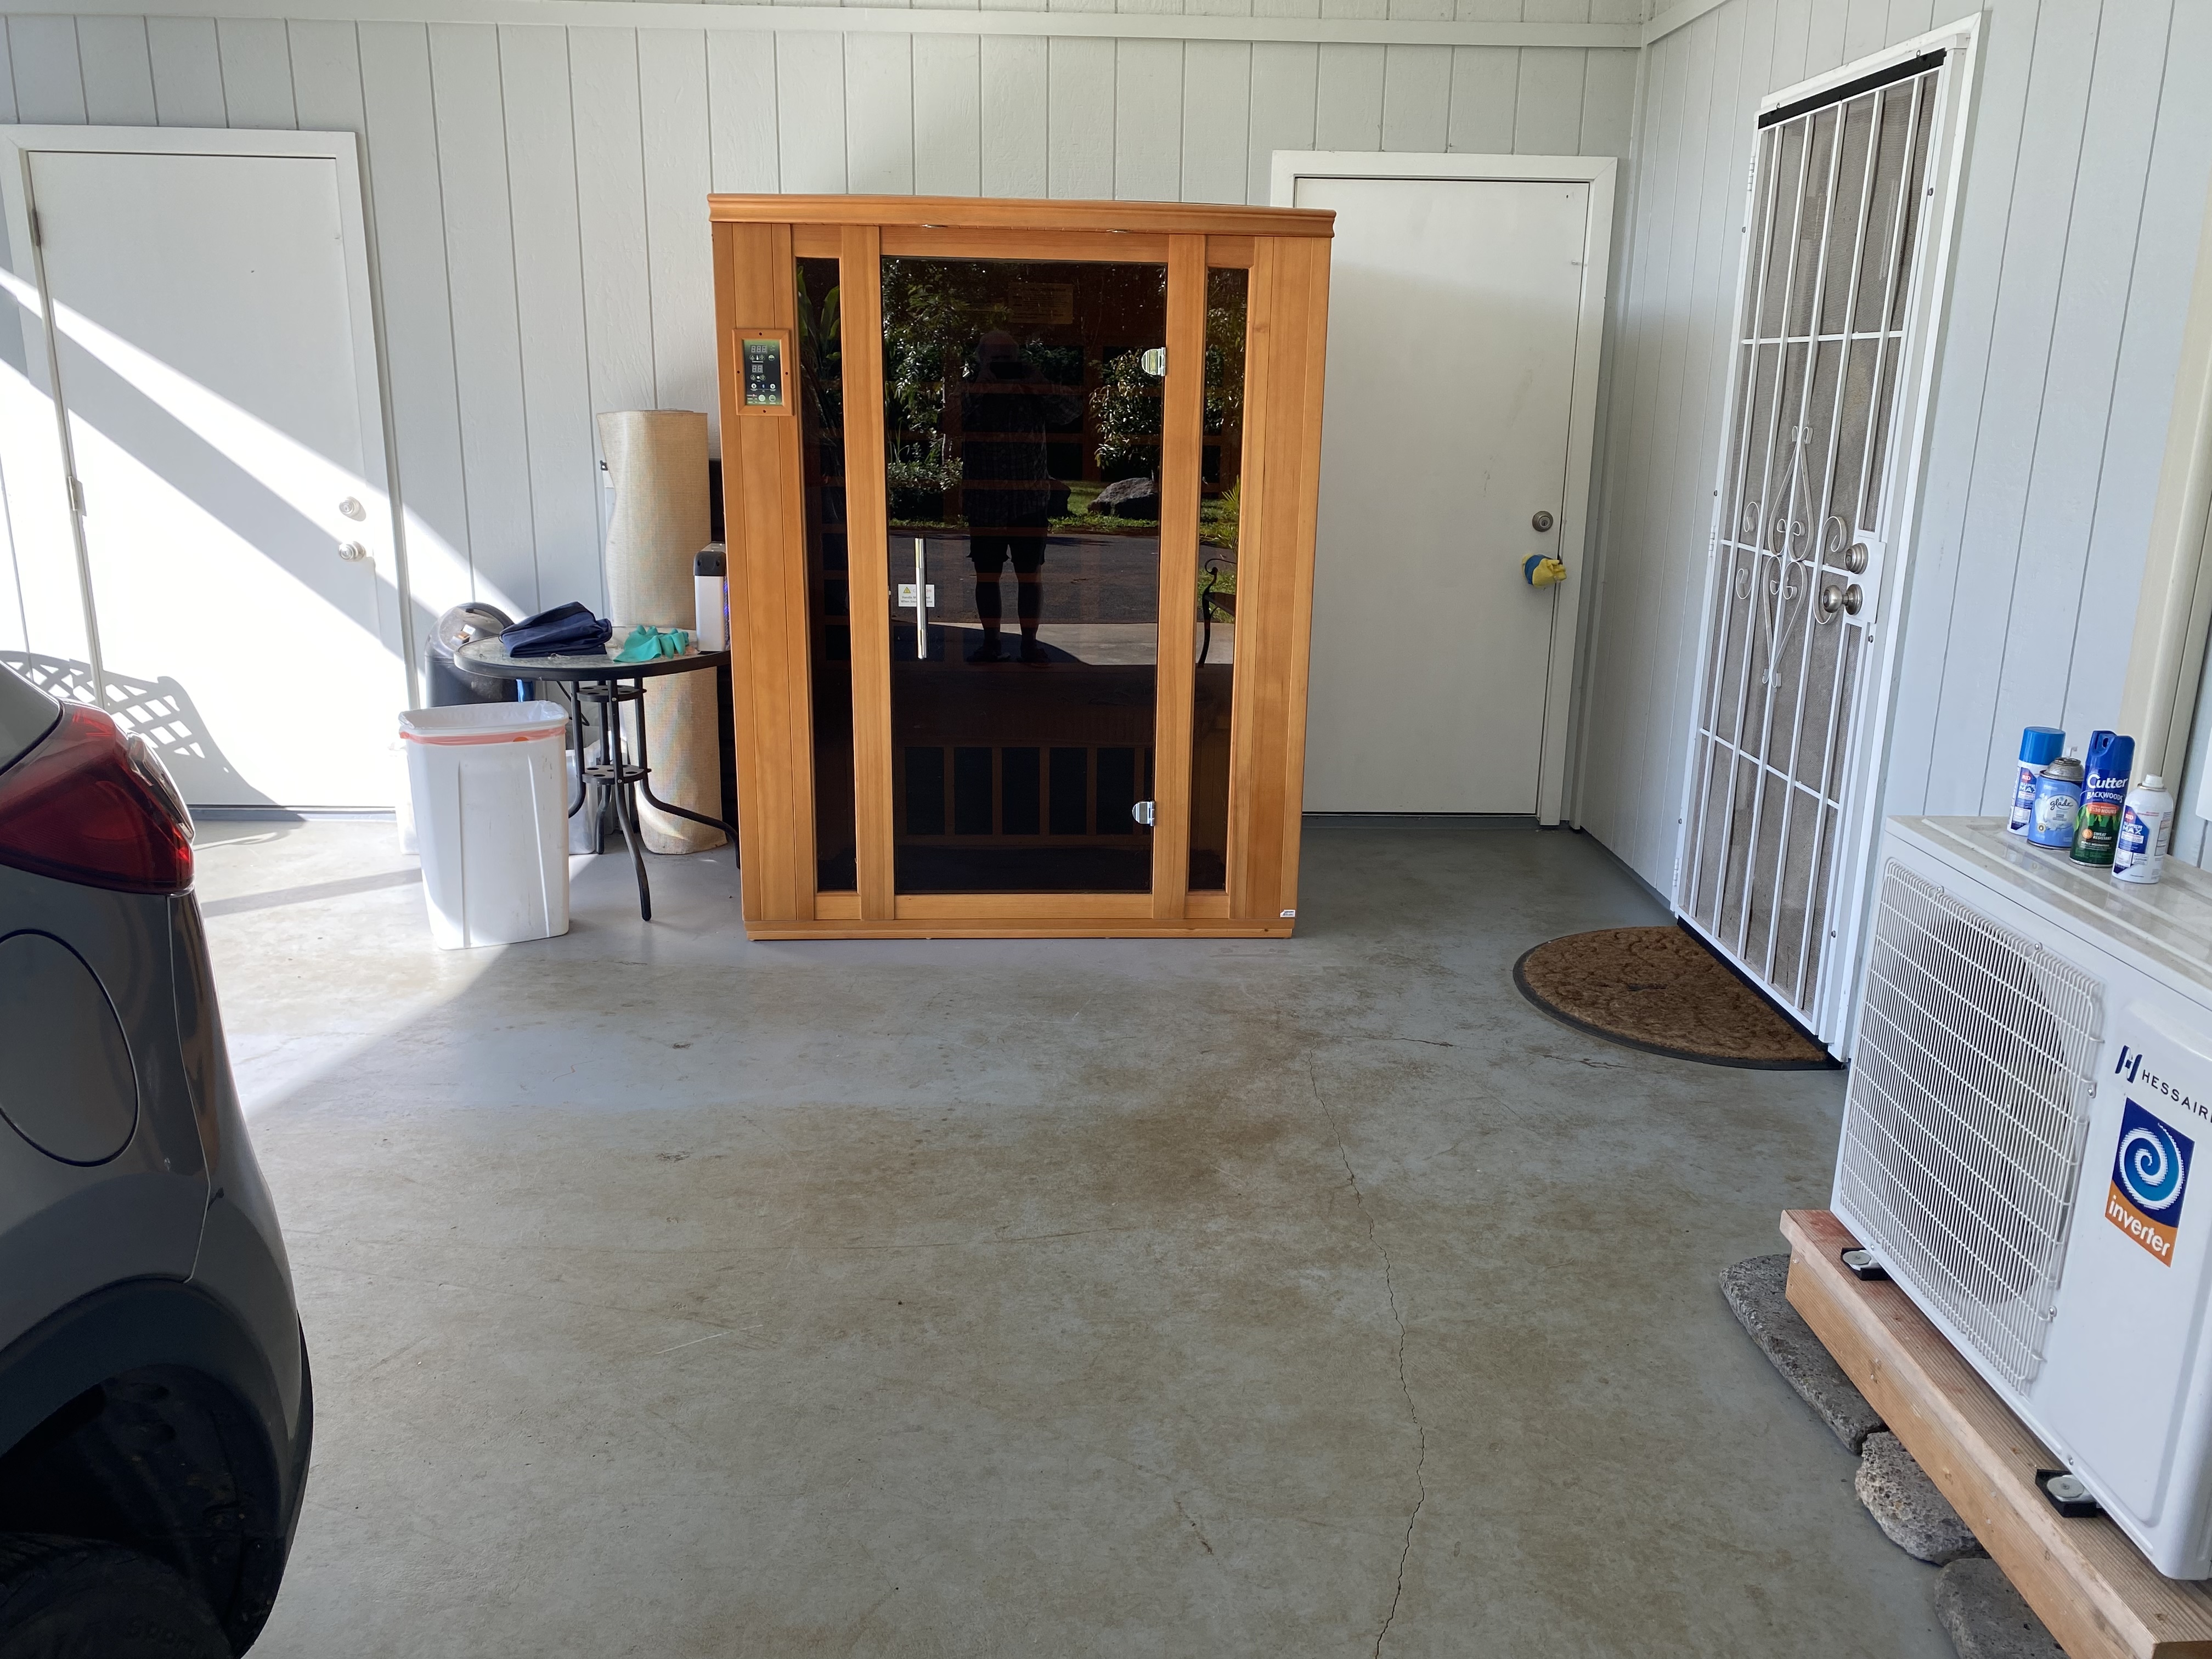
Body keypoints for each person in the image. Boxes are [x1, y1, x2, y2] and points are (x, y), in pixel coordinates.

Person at [958, 330, 1077, 663]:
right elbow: (949, 423)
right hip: (986, 502)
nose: (1003, 366)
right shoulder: (970, 389)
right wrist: (981, 388)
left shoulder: (1031, 390)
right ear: (981, 360)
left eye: (1009, 359)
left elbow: (1070, 411)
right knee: (986, 575)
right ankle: (991, 643)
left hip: (1028, 502)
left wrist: (1038, 382)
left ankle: (1029, 644)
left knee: (1030, 575)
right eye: (995, 360)